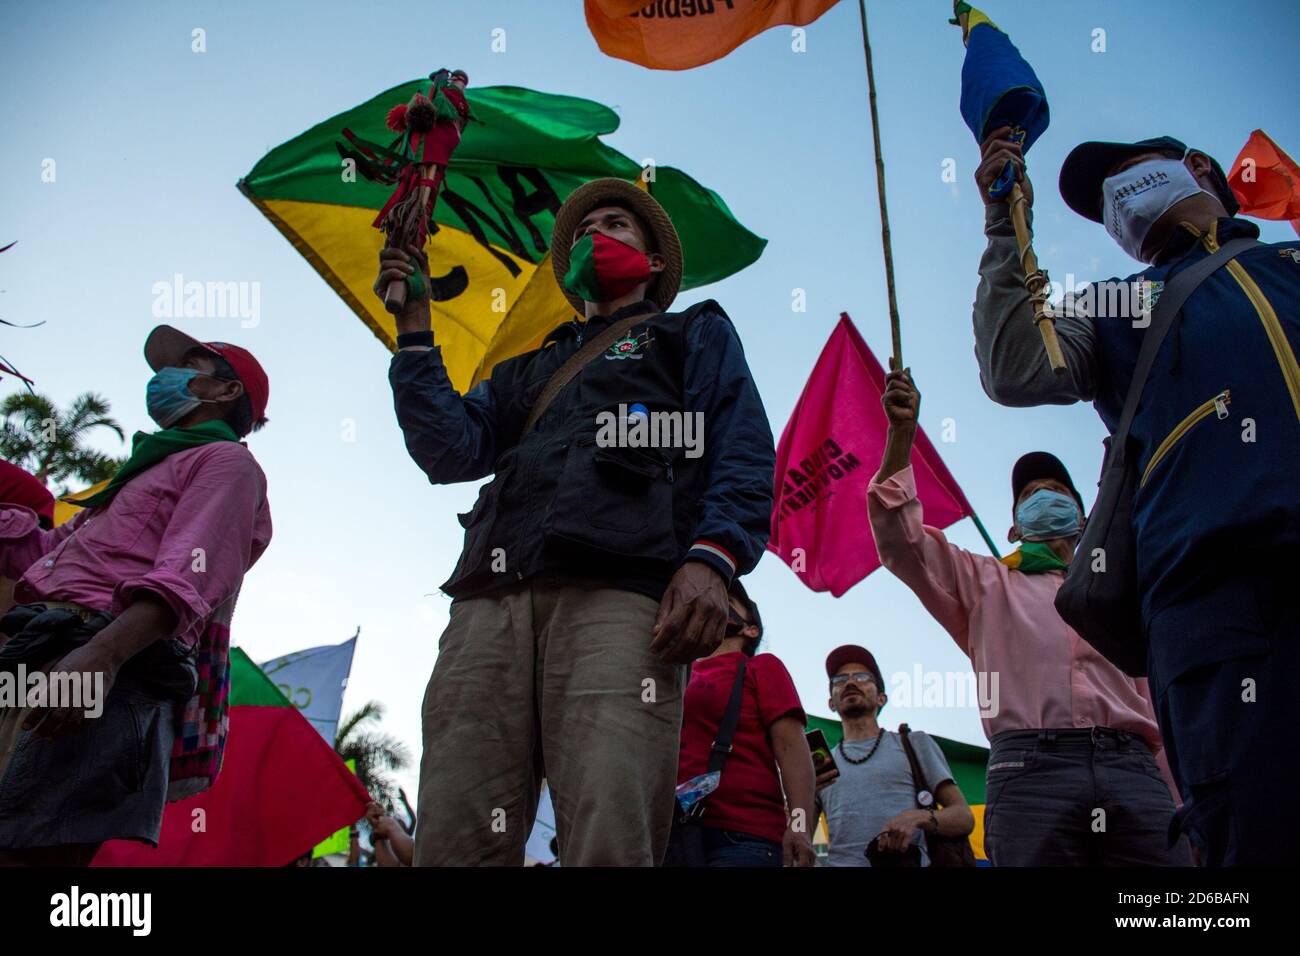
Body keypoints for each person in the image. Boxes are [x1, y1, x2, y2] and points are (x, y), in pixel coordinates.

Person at [382, 177, 776, 866]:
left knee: (610, 831)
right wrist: (414, 325)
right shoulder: (524, 370)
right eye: (588, 225)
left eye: (618, 223)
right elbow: (448, 450)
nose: (599, 232)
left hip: (621, 598)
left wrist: (712, 559)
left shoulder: (692, 331)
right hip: (488, 599)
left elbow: (737, 442)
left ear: (654, 263)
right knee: (455, 836)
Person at [971, 128, 1300, 866]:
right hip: (1214, 606)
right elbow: (1018, 367)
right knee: (1253, 831)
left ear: (1200, 171)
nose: (1117, 195)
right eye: (1102, 200)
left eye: (1128, 170)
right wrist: (1004, 224)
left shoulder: (1289, 262)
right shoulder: (1120, 304)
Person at [869, 368, 1187, 866]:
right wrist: (901, 436)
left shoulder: (1125, 590)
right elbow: (899, 537)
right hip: (1030, 773)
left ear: (1084, 520)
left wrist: (1181, 799)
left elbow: (1159, 699)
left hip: (1134, 770)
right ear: (1014, 529)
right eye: (1030, 494)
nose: (1045, 496)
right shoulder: (983, 582)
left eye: (1058, 491)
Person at [0, 325, 271, 865]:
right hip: (42, 652)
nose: (166, 378)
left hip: (101, 662)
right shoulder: (145, 471)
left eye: (190, 366)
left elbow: (186, 579)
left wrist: (100, 658)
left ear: (225, 392)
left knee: (27, 853)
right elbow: (43, 556)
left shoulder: (227, 465)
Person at [667, 579, 816, 867]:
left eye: (729, 602)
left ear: (750, 629)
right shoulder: (677, 675)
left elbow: (792, 748)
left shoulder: (762, 667)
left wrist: (799, 826)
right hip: (674, 836)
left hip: (744, 839)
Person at [815, 645, 974, 867]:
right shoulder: (821, 762)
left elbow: (964, 818)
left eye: (861, 677)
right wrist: (797, 805)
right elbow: (798, 829)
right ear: (831, 703)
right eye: (839, 680)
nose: (850, 683)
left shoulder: (914, 743)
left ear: (882, 698)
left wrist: (918, 817)